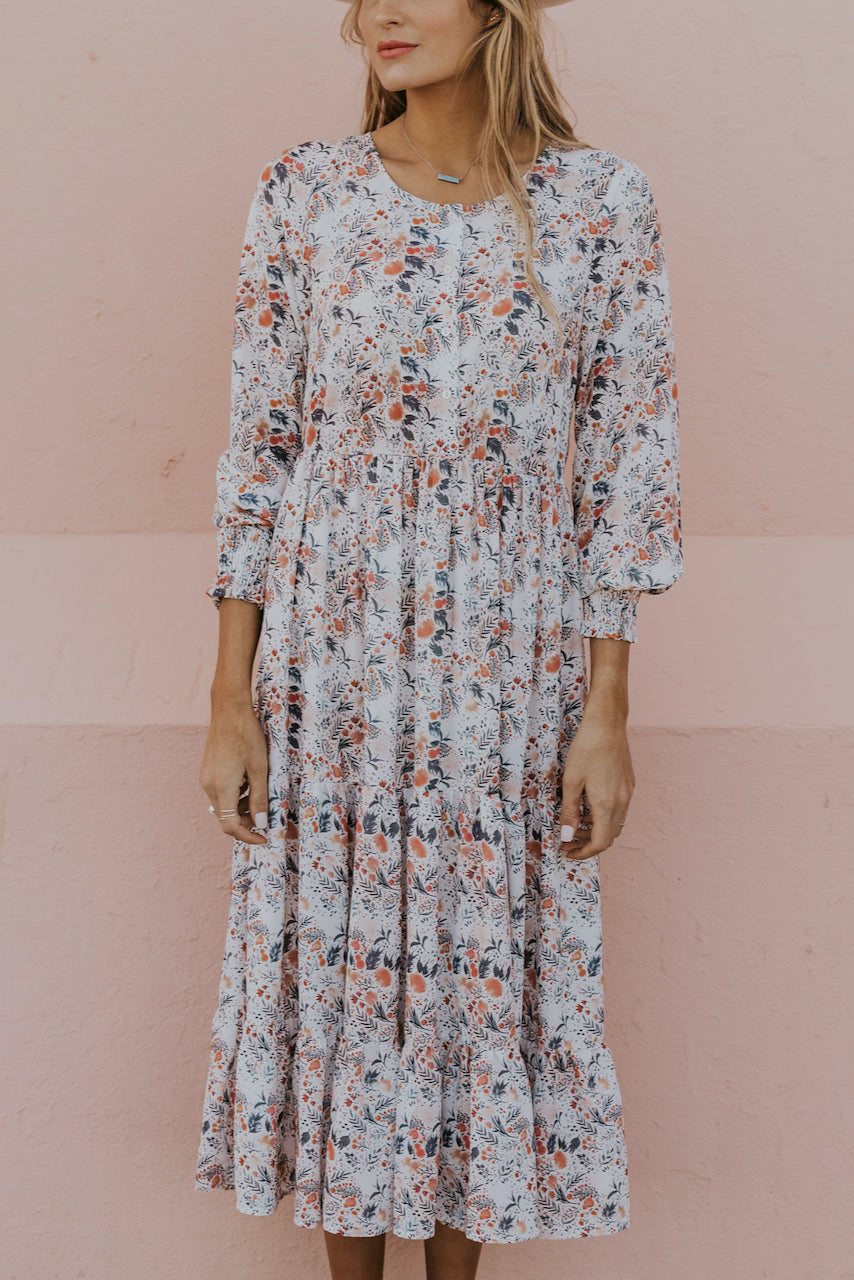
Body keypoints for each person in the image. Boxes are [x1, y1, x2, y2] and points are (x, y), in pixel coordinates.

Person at [196, 1, 684, 1277]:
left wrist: (604, 710)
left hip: (505, 678)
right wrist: (230, 699)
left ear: (497, 8)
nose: (381, 14)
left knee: (479, 976)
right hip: (333, 672)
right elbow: (261, 449)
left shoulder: (598, 205)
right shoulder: (306, 193)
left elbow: (625, 465)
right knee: (349, 988)